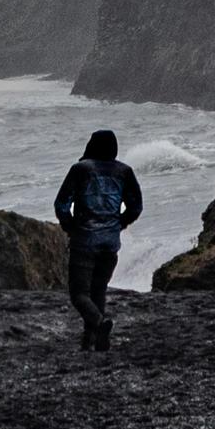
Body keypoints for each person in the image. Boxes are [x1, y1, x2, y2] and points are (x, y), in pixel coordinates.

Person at [51, 128, 142, 351]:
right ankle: (93, 340)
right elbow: (136, 206)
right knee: (98, 290)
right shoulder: (124, 171)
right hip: (110, 243)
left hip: (84, 240)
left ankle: (99, 325)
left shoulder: (80, 170)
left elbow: (61, 204)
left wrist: (71, 226)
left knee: (79, 294)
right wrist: (119, 223)